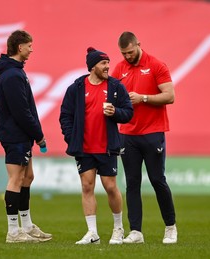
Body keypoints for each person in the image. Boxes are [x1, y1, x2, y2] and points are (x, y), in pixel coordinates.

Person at [59, 47, 133, 245]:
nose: (108, 66)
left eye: (108, 62)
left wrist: (115, 112)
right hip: (84, 148)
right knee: (87, 186)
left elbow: (128, 112)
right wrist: (70, 137)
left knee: (110, 186)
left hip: (107, 146)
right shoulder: (76, 88)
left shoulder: (116, 86)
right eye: (103, 63)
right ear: (93, 67)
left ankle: (118, 229)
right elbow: (65, 115)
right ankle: (92, 233)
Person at [111, 31, 178, 244]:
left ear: (139, 45)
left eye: (130, 52)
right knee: (132, 183)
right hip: (128, 134)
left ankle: (170, 227)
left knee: (158, 180)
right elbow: (113, 96)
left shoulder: (157, 65)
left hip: (152, 132)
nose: (128, 56)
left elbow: (170, 96)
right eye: (124, 53)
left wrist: (144, 98)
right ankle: (136, 232)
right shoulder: (120, 68)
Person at [0, 30, 52, 243]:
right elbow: (21, 111)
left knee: (28, 177)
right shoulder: (12, 75)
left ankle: (26, 226)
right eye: (29, 45)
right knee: (16, 179)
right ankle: (13, 231)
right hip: (15, 135)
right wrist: (39, 135)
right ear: (20, 47)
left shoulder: (15, 71)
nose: (32, 49)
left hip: (21, 134)